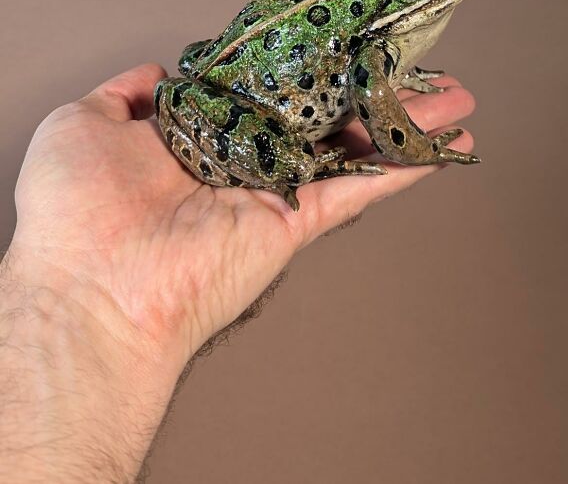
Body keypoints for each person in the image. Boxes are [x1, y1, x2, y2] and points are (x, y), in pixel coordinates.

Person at [0, 63, 475, 482]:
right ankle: (290, 165)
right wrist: (414, 147)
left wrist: (68, 290)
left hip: (230, 85)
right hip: (253, 97)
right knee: (294, 160)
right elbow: (369, 88)